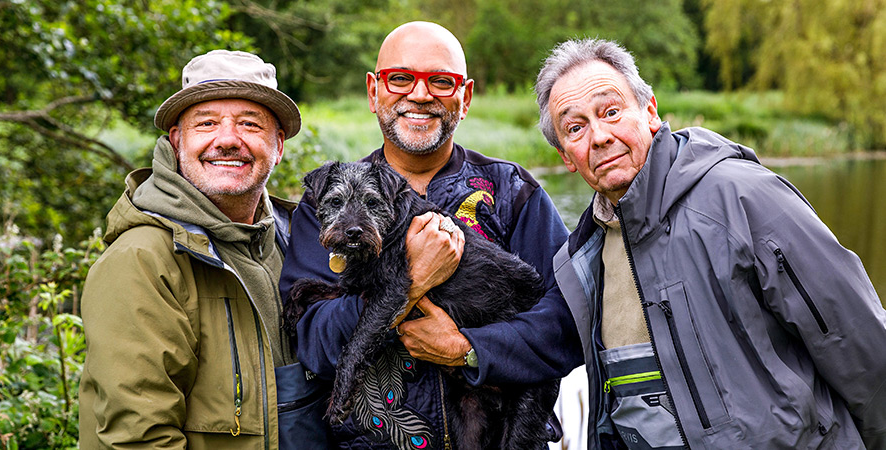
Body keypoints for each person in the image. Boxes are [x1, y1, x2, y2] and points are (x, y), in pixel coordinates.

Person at [536, 37, 886, 449]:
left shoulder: (743, 196)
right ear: (565, 156)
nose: (598, 137)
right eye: (575, 127)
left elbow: (860, 346)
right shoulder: (582, 258)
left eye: (611, 112)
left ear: (650, 112)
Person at [281, 21, 583, 448]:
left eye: (441, 82)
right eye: (400, 78)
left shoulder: (513, 191)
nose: (420, 95)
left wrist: (470, 349)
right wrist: (415, 278)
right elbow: (312, 344)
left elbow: (568, 325)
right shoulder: (328, 205)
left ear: (466, 97)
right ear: (373, 91)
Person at [78, 50, 327, 449]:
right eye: (206, 123)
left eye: (250, 124)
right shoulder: (142, 260)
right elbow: (139, 440)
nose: (228, 140)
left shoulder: (298, 241)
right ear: (177, 141)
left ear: (278, 144)